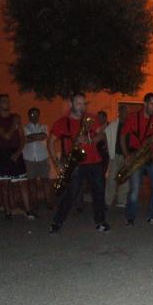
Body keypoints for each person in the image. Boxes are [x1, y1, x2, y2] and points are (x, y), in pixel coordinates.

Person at [48, 92, 109, 233]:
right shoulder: (63, 122)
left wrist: (91, 140)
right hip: (76, 163)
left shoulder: (91, 118)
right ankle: (57, 222)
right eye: (78, 103)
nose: (82, 107)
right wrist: (57, 163)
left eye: (84, 103)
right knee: (72, 193)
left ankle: (100, 222)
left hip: (95, 162)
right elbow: (51, 142)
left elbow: (101, 134)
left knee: (99, 192)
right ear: (71, 104)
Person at [120, 93, 153, 226]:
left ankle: (152, 216)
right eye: (152, 104)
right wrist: (126, 155)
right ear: (144, 104)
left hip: (150, 155)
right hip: (136, 155)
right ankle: (130, 217)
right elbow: (122, 137)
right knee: (134, 190)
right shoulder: (132, 118)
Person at [0, 94, 37, 220]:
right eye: (4, 101)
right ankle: (8, 212)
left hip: (16, 152)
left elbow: (22, 137)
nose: (8, 104)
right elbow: (6, 136)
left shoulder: (15, 117)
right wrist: (13, 124)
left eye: (8, 101)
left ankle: (28, 210)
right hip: (3, 154)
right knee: (5, 184)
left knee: (22, 183)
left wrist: (18, 152)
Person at [23, 108, 53, 208]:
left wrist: (31, 137)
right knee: (31, 181)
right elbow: (25, 139)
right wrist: (37, 137)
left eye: (36, 115)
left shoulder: (44, 126)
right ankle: (34, 202)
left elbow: (44, 136)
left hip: (43, 157)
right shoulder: (24, 127)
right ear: (29, 116)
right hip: (29, 158)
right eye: (32, 115)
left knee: (45, 180)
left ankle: (49, 201)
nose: (35, 117)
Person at [104, 104, 129, 207]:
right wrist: (107, 148)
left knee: (125, 179)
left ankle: (121, 201)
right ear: (120, 112)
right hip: (116, 155)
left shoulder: (130, 125)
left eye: (127, 112)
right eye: (124, 111)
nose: (126, 114)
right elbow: (106, 135)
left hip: (127, 156)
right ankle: (108, 201)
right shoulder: (113, 125)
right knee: (112, 179)